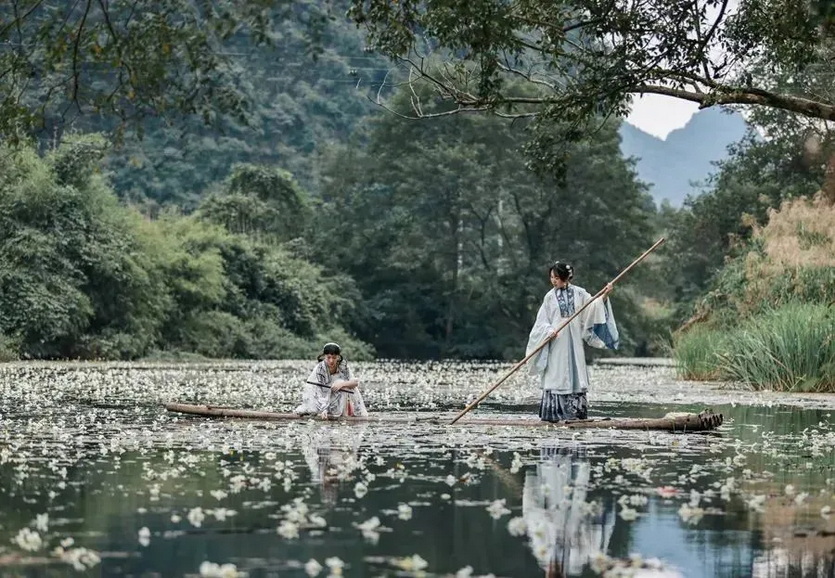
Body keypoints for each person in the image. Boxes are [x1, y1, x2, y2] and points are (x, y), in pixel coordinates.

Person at [525, 261, 618, 422]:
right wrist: (548, 331)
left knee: (576, 373)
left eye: (557, 277)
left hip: (574, 339)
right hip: (556, 340)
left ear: (566, 277)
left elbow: (592, 307)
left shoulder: (580, 293)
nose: (554, 281)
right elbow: (542, 321)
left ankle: (575, 413)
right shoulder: (549, 297)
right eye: (552, 277)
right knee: (556, 372)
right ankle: (554, 414)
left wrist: (604, 295)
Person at [294, 342, 368, 419]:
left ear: (338, 357)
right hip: (321, 398)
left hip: (338, 396)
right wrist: (324, 409)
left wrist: (341, 385)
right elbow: (317, 391)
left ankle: (345, 413)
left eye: (334, 358)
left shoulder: (343, 366)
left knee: (343, 383)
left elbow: (355, 382)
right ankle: (327, 411)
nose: (331, 361)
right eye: (328, 357)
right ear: (324, 356)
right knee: (314, 402)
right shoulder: (320, 369)